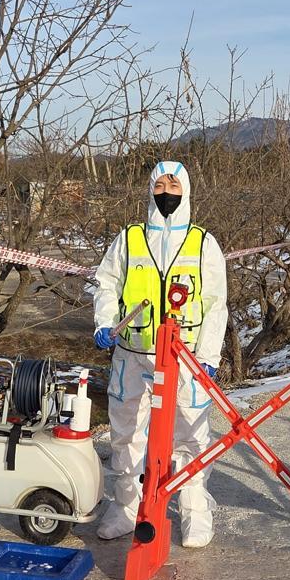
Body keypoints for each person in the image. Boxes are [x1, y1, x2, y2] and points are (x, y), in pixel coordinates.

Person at [91, 160, 228, 547]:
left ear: (186, 190)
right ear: (150, 189)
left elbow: (217, 303)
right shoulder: (130, 238)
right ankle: (125, 509)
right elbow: (106, 282)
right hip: (133, 353)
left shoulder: (203, 242)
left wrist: (209, 356)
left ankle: (194, 511)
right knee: (127, 433)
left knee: (190, 434)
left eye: (174, 183)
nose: (167, 191)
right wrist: (104, 321)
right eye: (161, 183)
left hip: (184, 358)